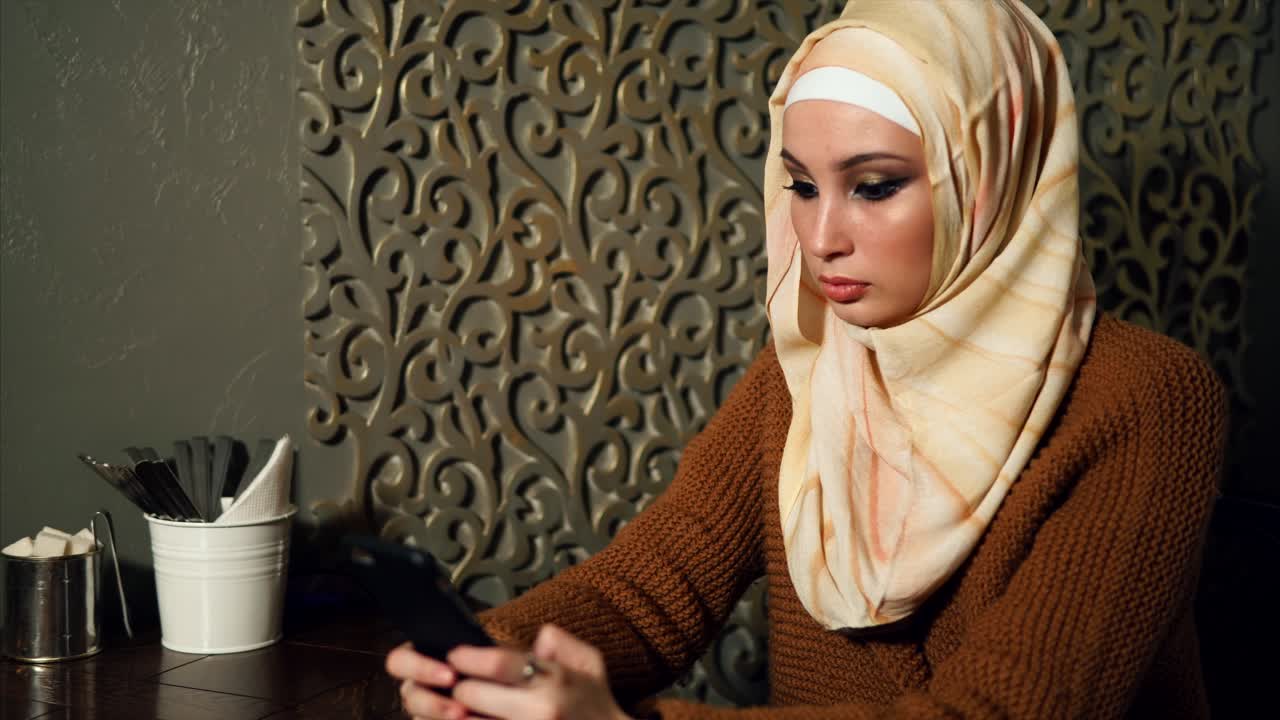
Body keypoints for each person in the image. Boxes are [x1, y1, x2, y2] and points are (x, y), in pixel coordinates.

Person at [386, 1, 1227, 717]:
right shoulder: (808, 370)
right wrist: (484, 666)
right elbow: (642, 599)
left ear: (988, 184)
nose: (819, 239)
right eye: (800, 184)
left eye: (873, 186)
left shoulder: (1148, 397)